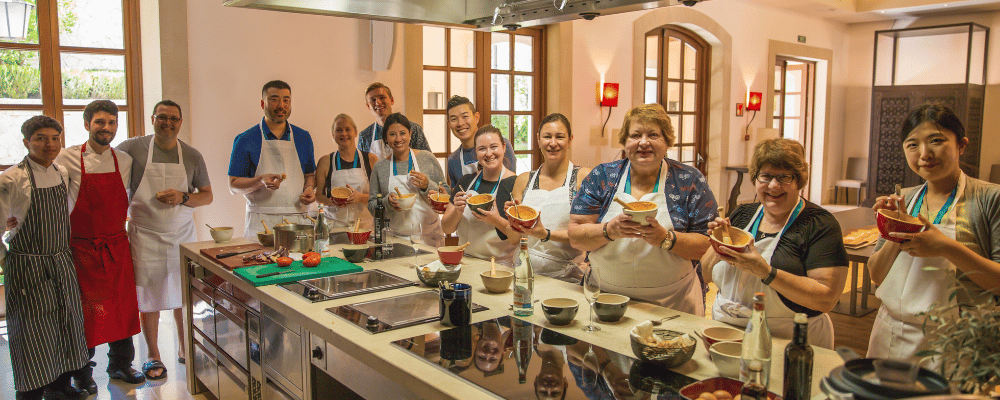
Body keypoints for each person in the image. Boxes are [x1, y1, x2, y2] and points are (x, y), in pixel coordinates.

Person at [867, 104, 1000, 364]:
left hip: (956, 340)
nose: (925, 154)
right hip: (890, 331)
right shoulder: (903, 198)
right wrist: (896, 228)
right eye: (913, 145)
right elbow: (876, 274)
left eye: (936, 141)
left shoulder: (989, 198)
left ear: (961, 145)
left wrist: (946, 247)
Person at [568, 104, 716, 315]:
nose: (643, 142)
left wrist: (666, 239)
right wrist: (609, 230)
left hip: (673, 302)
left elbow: (707, 244)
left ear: (666, 142)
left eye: (653, 135)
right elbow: (576, 236)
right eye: (635, 135)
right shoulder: (602, 176)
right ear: (625, 142)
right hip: (606, 298)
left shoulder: (689, 180)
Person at [700, 138, 847, 349]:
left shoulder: (819, 224)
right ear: (755, 178)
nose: (773, 186)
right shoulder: (742, 215)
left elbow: (826, 299)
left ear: (799, 181)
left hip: (791, 343)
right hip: (727, 335)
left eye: (784, 177)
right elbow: (704, 274)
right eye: (766, 176)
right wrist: (718, 243)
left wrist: (766, 272)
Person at [116, 100, 213, 379]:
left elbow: (206, 194)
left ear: (180, 122)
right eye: (162, 117)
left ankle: (186, 348)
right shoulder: (132, 149)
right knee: (149, 297)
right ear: (152, 119)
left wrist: (183, 197)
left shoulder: (192, 156)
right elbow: (114, 183)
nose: (167, 123)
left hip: (182, 234)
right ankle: (153, 354)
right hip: (144, 234)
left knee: (183, 295)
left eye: (173, 118)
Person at [55, 100, 144, 391]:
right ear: (86, 124)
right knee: (87, 314)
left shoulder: (124, 160)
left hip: (116, 246)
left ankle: (120, 364)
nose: (106, 128)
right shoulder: (66, 158)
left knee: (122, 307)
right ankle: (82, 372)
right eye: (99, 122)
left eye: (111, 122)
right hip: (82, 250)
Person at [0, 116, 89, 400]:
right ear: (27, 142)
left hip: (61, 261)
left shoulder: (62, 172)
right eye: (40, 138)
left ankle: (59, 388)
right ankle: (30, 394)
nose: (48, 144)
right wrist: (6, 260)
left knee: (66, 326)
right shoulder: (12, 178)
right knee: (31, 334)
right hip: (29, 266)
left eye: (54, 138)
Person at [503, 113, 590, 283]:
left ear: (570, 140)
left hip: (567, 278)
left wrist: (546, 234)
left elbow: (587, 236)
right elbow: (513, 239)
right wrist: (514, 222)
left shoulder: (583, 178)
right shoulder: (523, 180)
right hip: (524, 273)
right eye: (547, 136)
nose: (553, 143)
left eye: (560, 137)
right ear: (538, 139)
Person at [229, 80, 316, 236]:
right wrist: (260, 181)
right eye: (274, 99)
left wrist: (309, 188)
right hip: (261, 223)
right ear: (263, 104)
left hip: (298, 221)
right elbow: (233, 185)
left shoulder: (303, 137)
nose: (281, 105)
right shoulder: (246, 139)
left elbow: (309, 175)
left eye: (286, 100)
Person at [439, 126, 519, 266]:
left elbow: (518, 235)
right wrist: (457, 211)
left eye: (494, 147)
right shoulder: (465, 182)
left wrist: (495, 220)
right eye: (482, 149)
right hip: (465, 262)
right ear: (476, 152)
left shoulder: (515, 184)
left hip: (500, 265)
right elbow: (447, 228)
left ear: (504, 147)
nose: (489, 153)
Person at [367, 113, 446, 247]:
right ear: (386, 138)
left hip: (430, 237)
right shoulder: (380, 167)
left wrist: (427, 185)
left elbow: (446, 194)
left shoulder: (427, 158)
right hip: (396, 240)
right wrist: (387, 203)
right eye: (392, 134)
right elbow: (371, 206)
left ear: (410, 134)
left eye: (402, 133)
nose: (398, 139)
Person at [316, 114, 377, 233]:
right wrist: (331, 201)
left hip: (365, 228)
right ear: (333, 135)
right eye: (339, 130)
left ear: (355, 132)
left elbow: (379, 195)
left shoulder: (370, 159)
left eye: (348, 129)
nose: (344, 134)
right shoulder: (325, 162)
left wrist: (361, 197)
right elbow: (318, 196)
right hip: (335, 228)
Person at [445, 96, 517, 186]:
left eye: (465, 116)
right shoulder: (453, 160)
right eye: (454, 119)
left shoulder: (499, 146)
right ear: (449, 124)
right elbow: (455, 194)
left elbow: (512, 184)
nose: (460, 123)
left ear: (476, 117)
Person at [357, 82, 432, 160]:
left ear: (392, 100)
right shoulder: (365, 136)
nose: (378, 102)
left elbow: (428, 160)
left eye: (382, 97)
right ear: (368, 106)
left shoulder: (413, 128)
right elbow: (363, 166)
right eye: (373, 100)